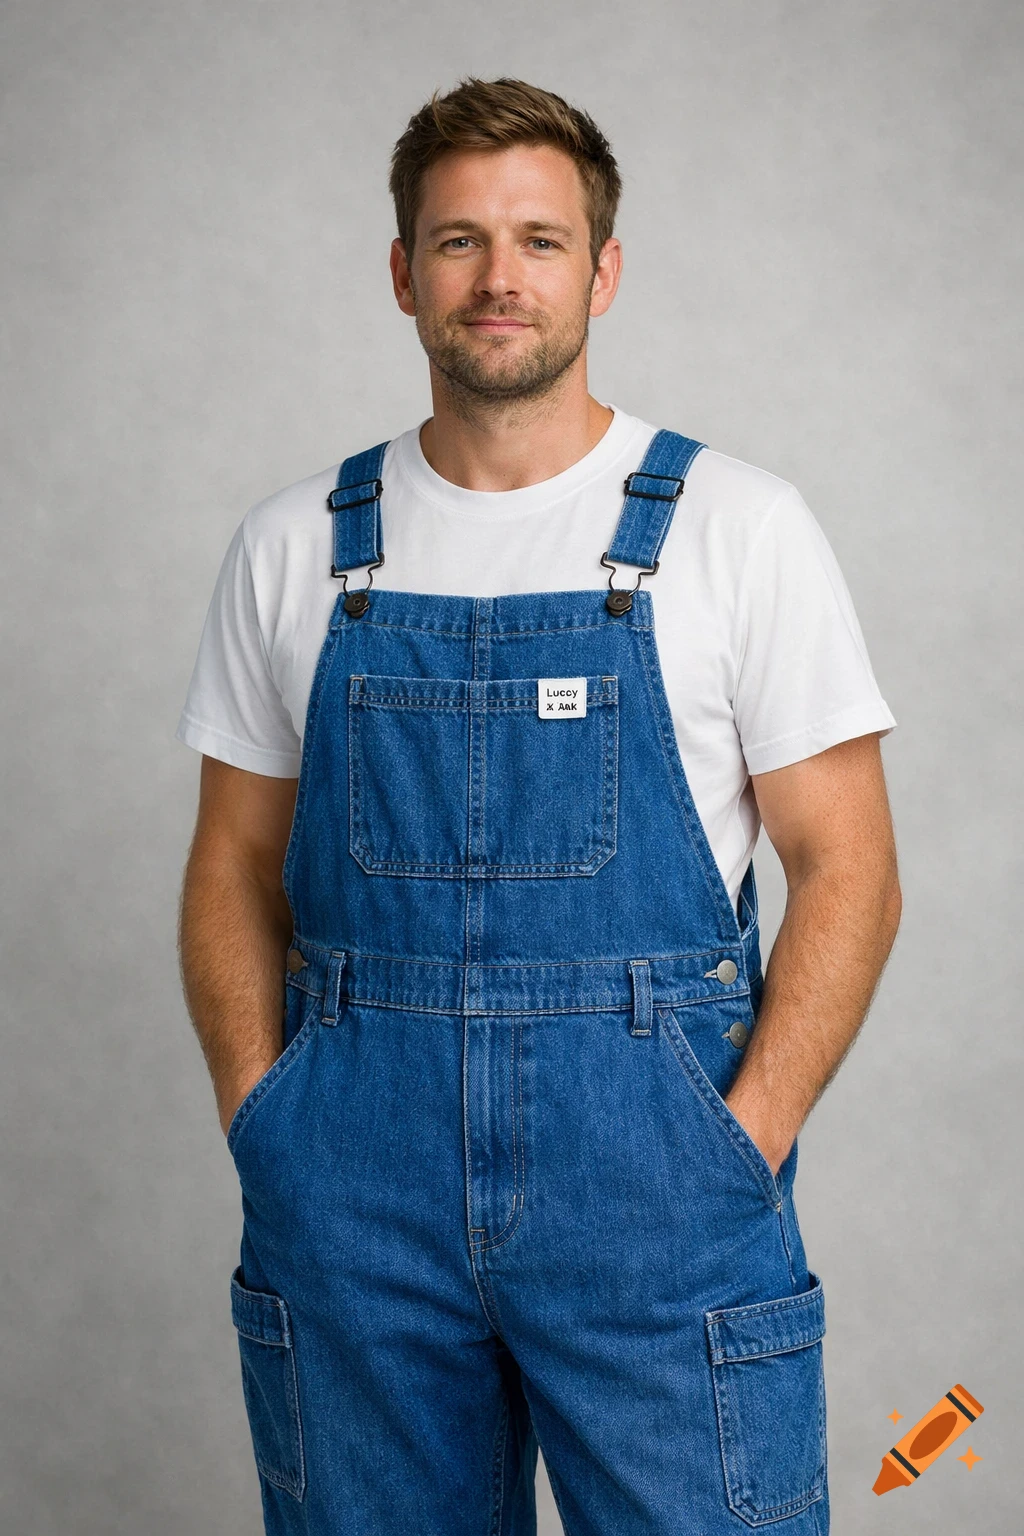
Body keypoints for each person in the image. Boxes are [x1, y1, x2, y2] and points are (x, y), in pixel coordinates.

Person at [177, 76, 900, 1536]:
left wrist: (736, 1144)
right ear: (403, 273)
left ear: (603, 270)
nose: (500, 278)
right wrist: (271, 1122)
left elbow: (852, 873)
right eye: (457, 241)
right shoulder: (298, 548)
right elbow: (232, 864)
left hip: (656, 1190)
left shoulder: (734, 528)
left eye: (541, 240)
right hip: (354, 1199)